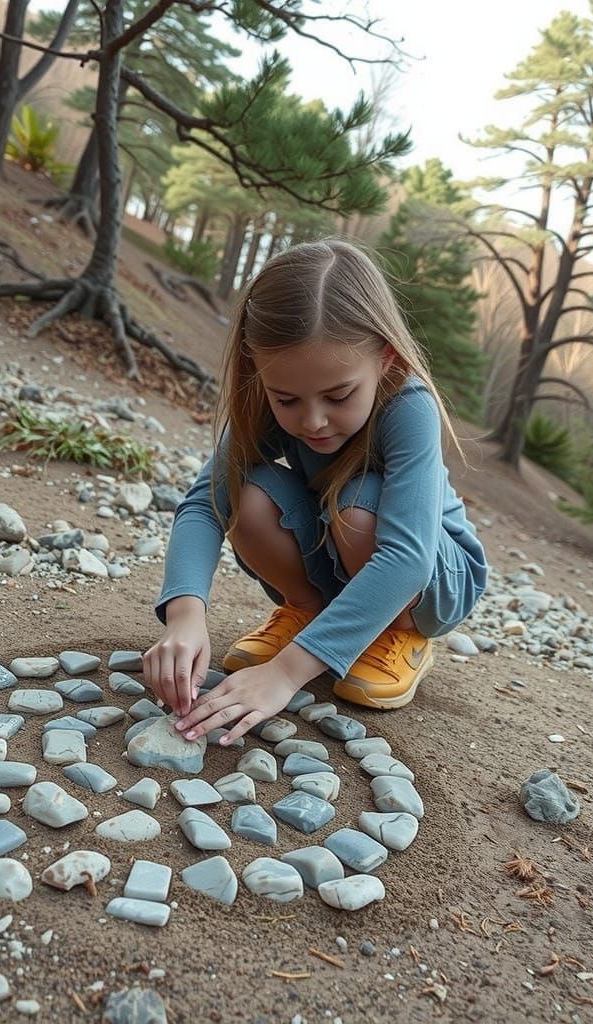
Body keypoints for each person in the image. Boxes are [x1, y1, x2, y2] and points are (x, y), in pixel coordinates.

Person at [142, 239, 488, 747]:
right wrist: (184, 617)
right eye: (287, 399)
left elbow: (408, 558)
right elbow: (204, 505)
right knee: (249, 495)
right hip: (339, 554)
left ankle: (394, 632)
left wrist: (283, 675)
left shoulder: (409, 406)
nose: (313, 420)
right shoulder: (262, 398)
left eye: (339, 395)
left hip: (432, 579)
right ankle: (310, 614)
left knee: (358, 508)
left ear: (386, 357)